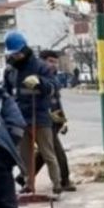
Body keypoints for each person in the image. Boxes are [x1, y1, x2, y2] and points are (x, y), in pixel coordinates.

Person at [1, 31, 62, 194]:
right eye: (13, 54)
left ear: (24, 49)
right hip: (20, 118)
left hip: (40, 116)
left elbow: (54, 87)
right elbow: (5, 93)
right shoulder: (10, 70)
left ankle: (57, 184)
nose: (16, 57)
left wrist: (40, 84)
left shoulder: (40, 66)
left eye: (18, 53)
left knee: (48, 153)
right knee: (25, 156)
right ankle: (29, 184)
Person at [33, 50, 75, 191]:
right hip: (43, 121)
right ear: (42, 61)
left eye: (55, 62)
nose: (54, 65)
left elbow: (56, 102)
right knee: (57, 152)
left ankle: (24, 177)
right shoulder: (37, 79)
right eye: (50, 61)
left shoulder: (53, 78)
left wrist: (62, 121)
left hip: (53, 122)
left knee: (46, 153)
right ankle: (64, 180)